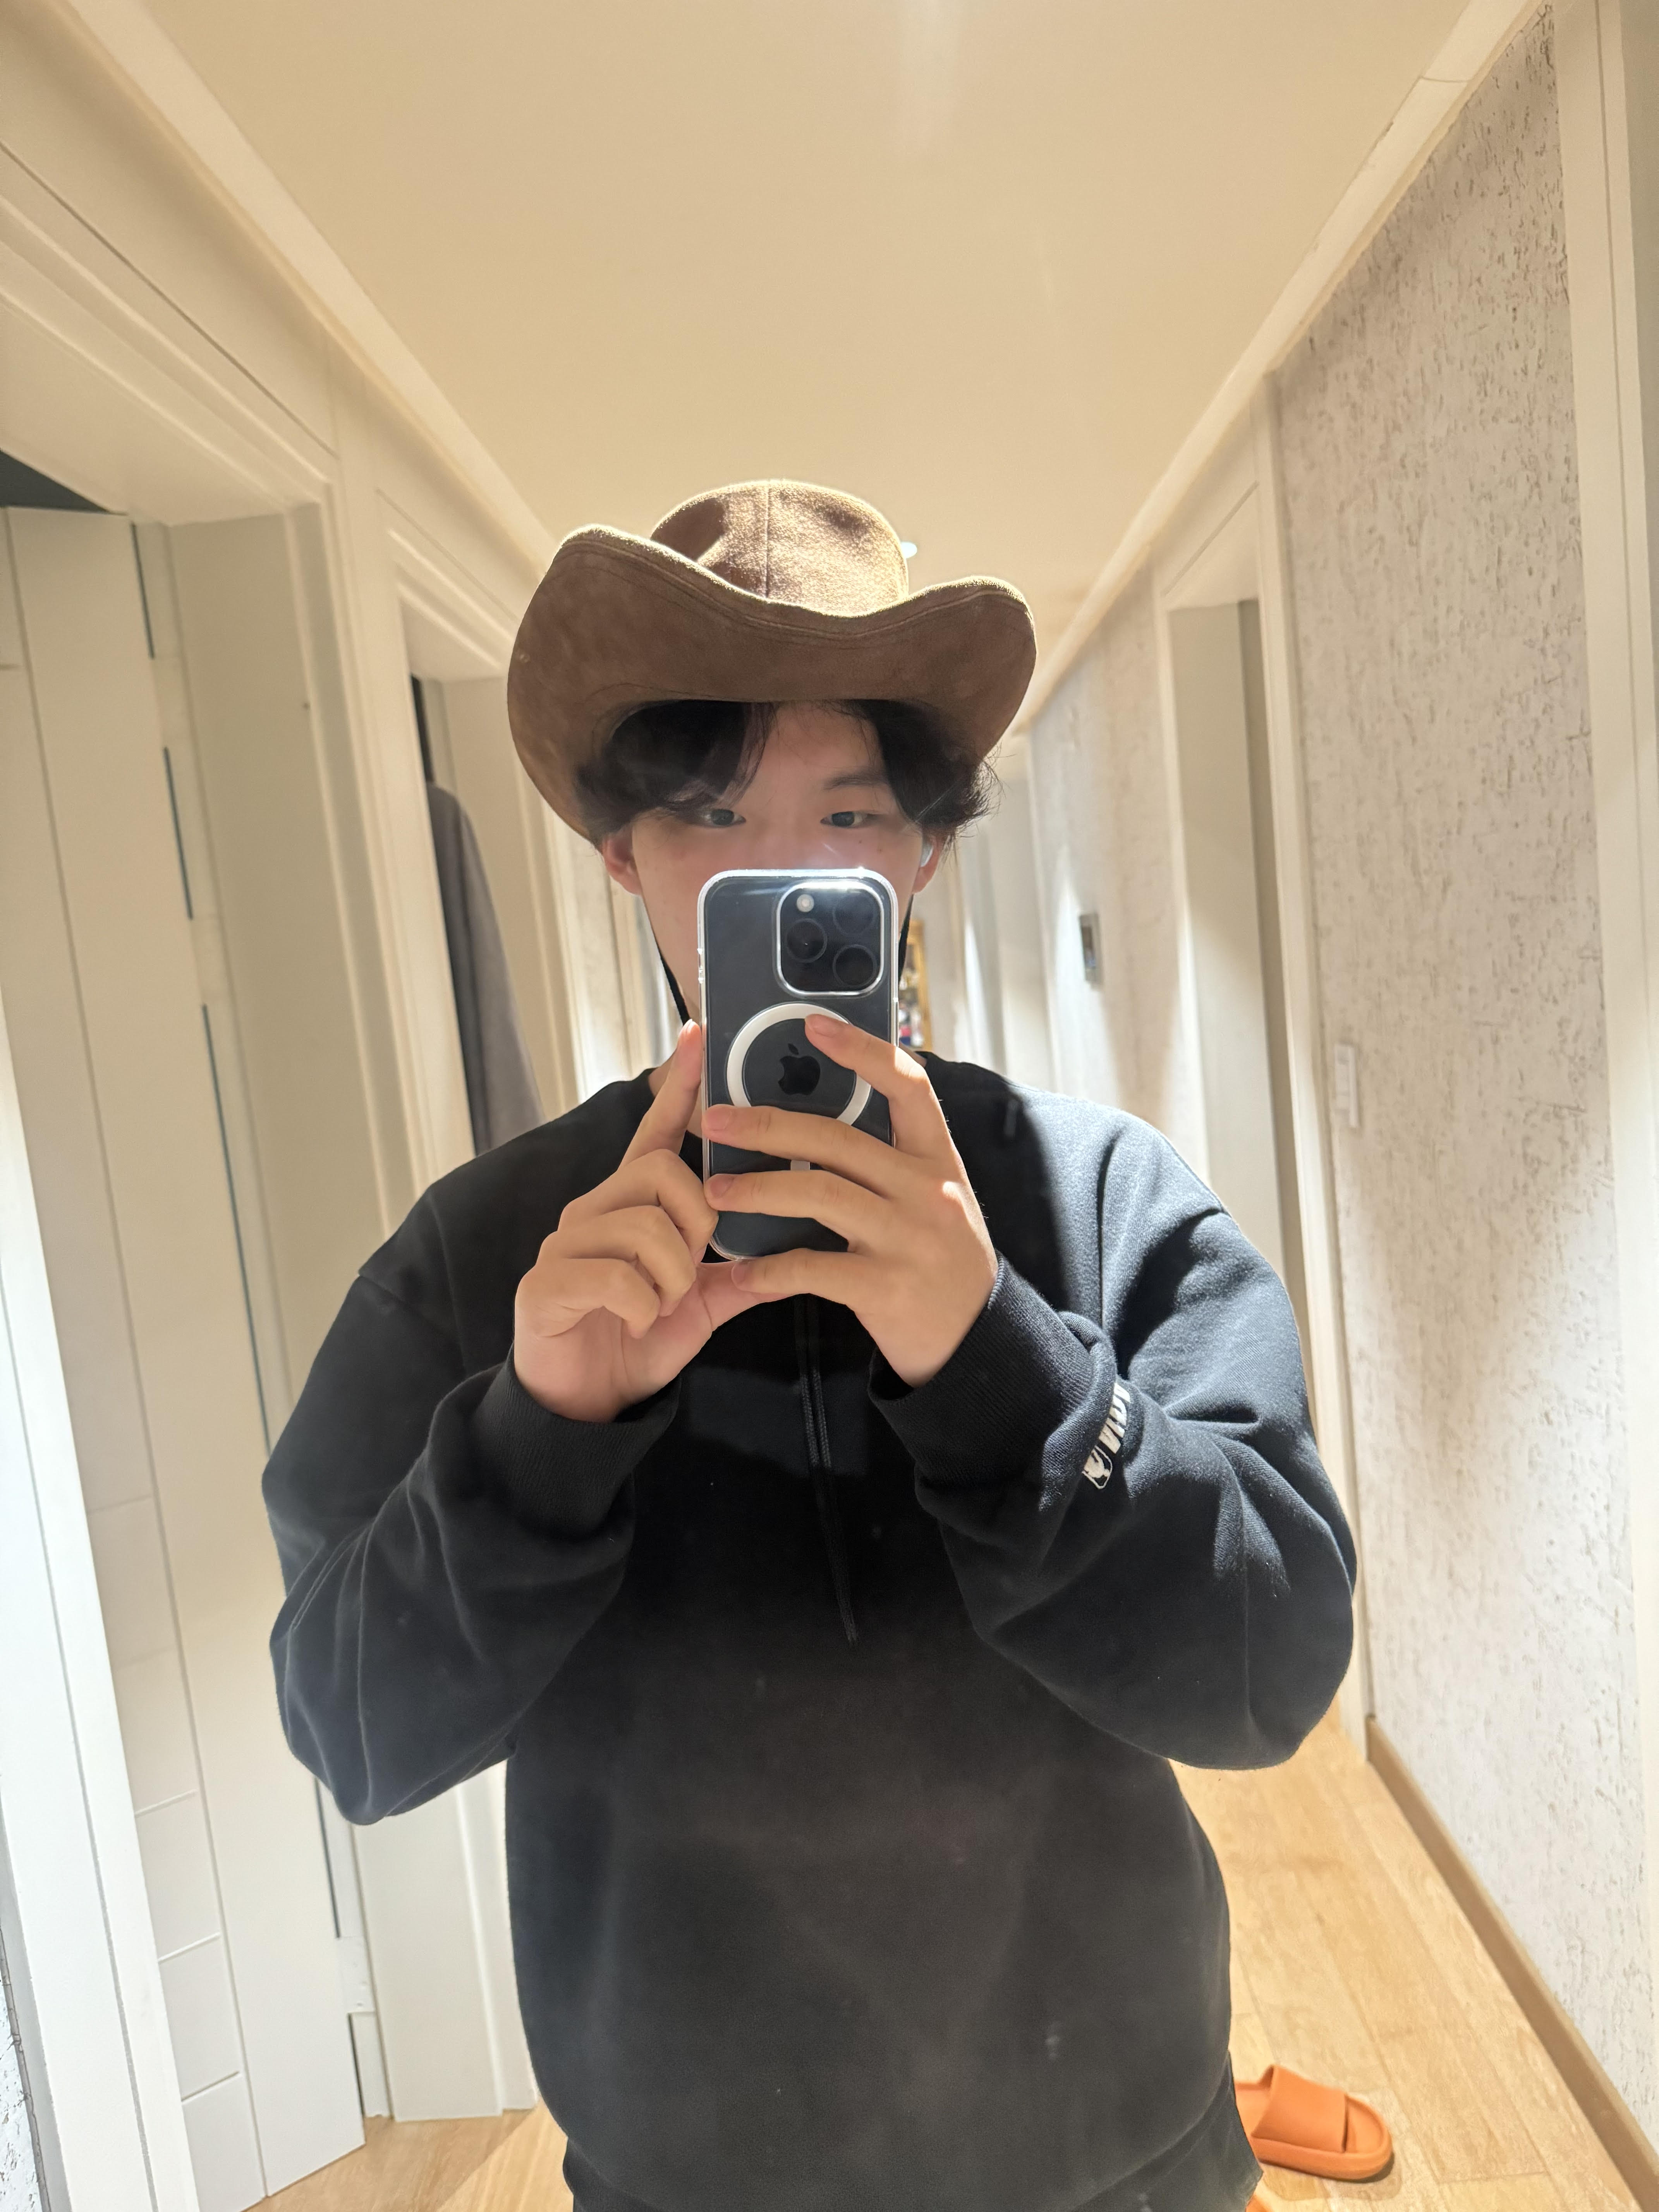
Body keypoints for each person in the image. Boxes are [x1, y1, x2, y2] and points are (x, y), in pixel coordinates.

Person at [263, 481, 1358, 2212]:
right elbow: (352, 1729)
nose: (781, 872)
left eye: (847, 812)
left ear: (921, 855)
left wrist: (997, 1363)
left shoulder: (1099, 1199)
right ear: (621, 859)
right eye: (711, 817)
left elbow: (1270, 1668)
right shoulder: (491, 1256)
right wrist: (538, 1436)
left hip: (1119, 2159)